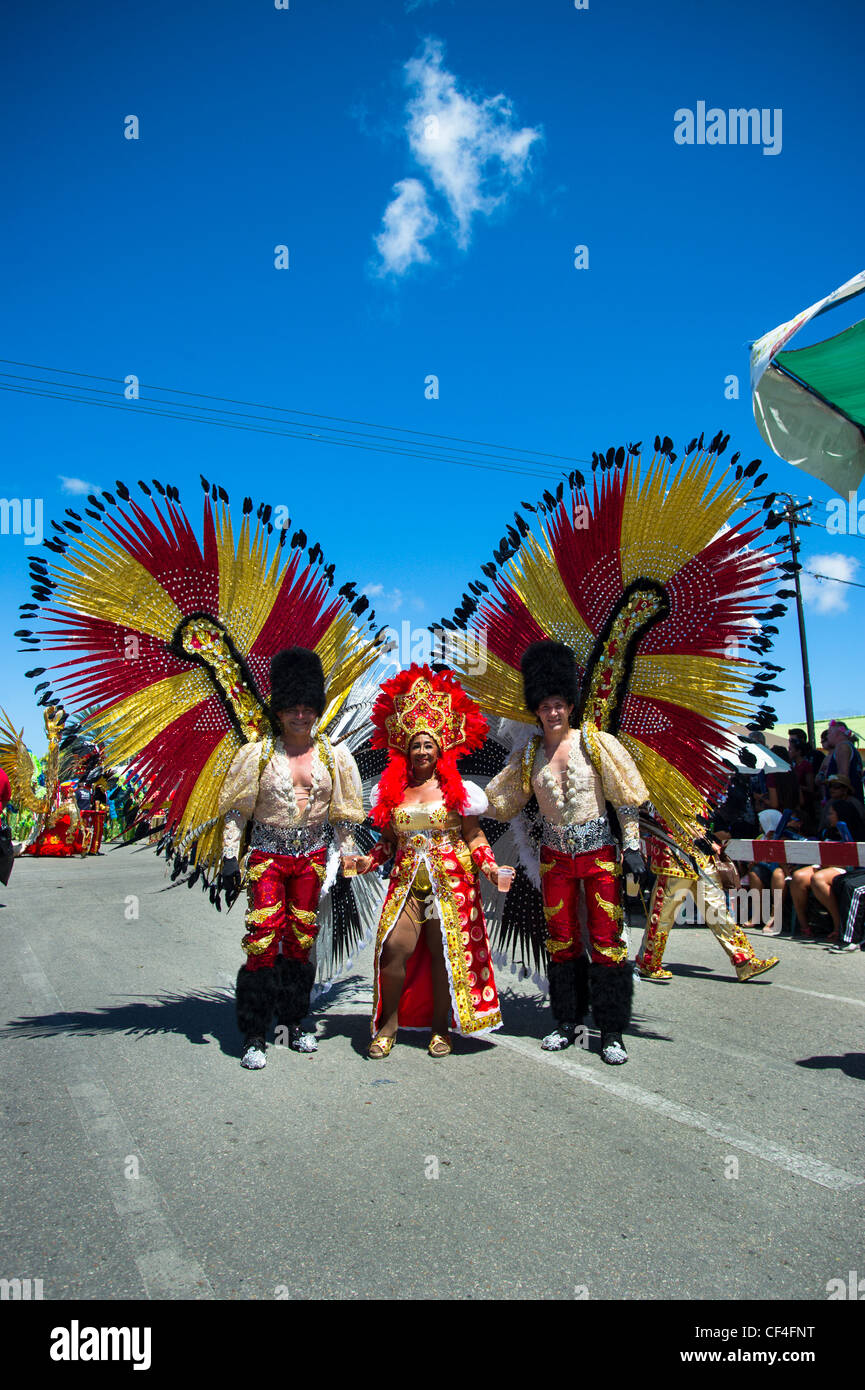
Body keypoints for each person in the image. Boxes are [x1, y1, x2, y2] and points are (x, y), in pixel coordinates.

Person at [484, 641, 648, 1065]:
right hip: (555, 858)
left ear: (570, 706)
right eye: (545, 706)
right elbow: (496, 801)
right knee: (561, 942)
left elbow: (625, 796)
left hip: (598, 857)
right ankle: (567, 1023)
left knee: (607, 941)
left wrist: (631, 845)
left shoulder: (596, 743)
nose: (552, 712)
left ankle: (612, 1031)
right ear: (535, 710)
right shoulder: (527, 756)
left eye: (559, 704)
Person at [218, 647, 365, 1070]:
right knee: (263, 939)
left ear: (316, 709)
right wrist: (231, 857)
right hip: (267, 857)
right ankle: (253, 1033)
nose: (300, 716)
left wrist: (350, 858)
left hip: (312, 859)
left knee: (301, 940)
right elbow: (237, 810)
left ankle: (294, 1022)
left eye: (307, 708)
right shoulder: (257, 754)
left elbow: (345, 815)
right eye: (292, 709)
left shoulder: (335, 758)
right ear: (279, 711)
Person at [352, 664, 506, 1059]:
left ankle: (441, 1029)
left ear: (441, 749)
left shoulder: (460, 792)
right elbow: (387, 843)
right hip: (407, 884)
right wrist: (368, 861)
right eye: (416, 745)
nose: (421, 752)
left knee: (443, 956)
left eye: (428, 745)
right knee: (393, 951)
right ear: (406, 748)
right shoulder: (394, 791)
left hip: (452, 886)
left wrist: (488, 867)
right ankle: (387, 1026)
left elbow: (473, 835)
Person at [636, 818, 779, 980]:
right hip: (675, 855)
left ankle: (744, 960)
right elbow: (663, 815)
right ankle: (648, 961)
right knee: (664, 913)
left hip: (701, 855)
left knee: (717, 909)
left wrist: (707, 838)